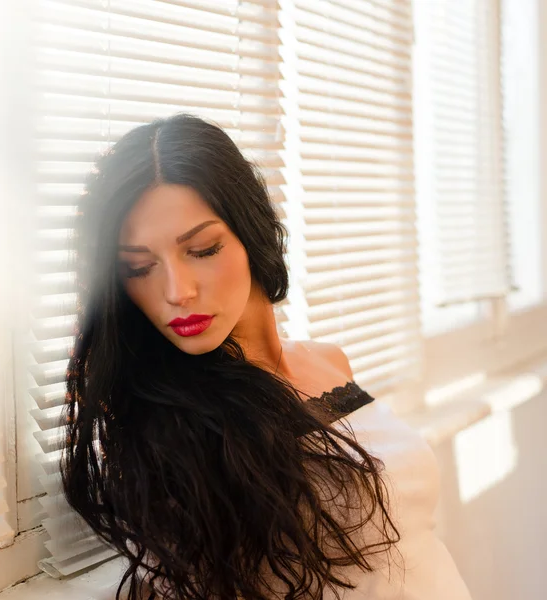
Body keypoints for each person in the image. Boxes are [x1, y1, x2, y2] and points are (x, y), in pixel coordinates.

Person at [62, 113, 472, 600]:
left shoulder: (329, 362)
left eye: (202, 249)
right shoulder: (169, 427)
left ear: (249, 233)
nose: (177, 291)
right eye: (140, 267)